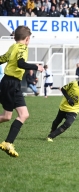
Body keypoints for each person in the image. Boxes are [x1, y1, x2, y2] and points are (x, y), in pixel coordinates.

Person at [0, 25, 44, 157]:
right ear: (27, 39)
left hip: (8, 82)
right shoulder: (22, 48)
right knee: (22, 115)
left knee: (8, 116)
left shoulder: (13, 47)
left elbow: (3, 59)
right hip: (12, 83)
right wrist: (36, 66)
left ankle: (7, 143)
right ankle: (8, 142)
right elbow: (21, 64)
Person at [47, 71, 79, 142]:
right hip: (64, 107)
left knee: (68, 123)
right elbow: (63, 89)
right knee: (56, 122)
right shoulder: (73, 84)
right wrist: (68, 99)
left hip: (74, 109)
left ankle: (51, 136)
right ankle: (52, 131)